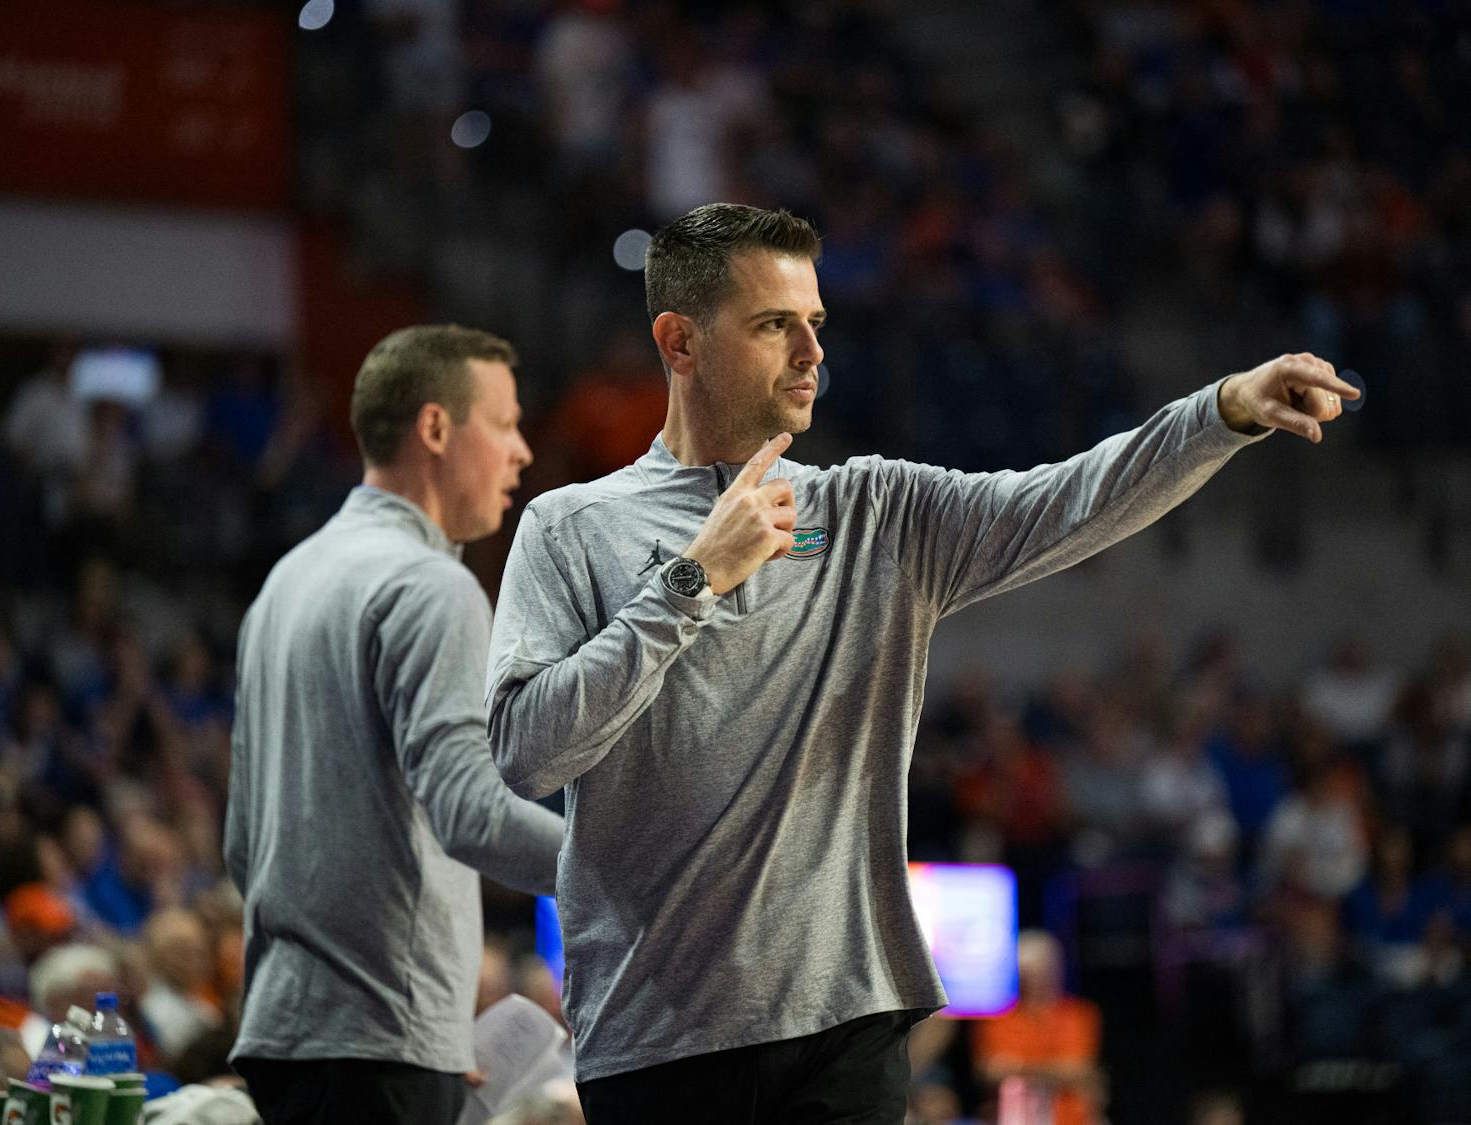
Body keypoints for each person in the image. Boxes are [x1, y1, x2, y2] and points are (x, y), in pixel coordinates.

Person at [485, 203, 1358, 1123]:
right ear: (680, 340)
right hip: (653, 1036)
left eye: (815, 324)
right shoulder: (570, 527)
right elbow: (526, 753)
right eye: (775, 325)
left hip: (848, 1021)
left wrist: (1219, 413)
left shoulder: (879, 513)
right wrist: (690, 581)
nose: (812, 352)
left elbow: (1068, 500)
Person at [225, 326, 564, 1125]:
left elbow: (245, 844)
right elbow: (471, 814)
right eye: (506, 423)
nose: (521, 451)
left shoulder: (288, 579)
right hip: (377, 1046)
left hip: (289, 1035)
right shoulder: (431, 585)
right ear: (437, 429)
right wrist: (633, 871)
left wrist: (433, 1033)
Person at [973, 931, 1103, 1125]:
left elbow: (1077, 1070)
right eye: (1028, 973)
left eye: (1041, 971)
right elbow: (991, 1071)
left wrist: (1018, 1069)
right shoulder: (997, 1017)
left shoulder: (1080, 1014)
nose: (1035, 981)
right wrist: (1053, 1071)